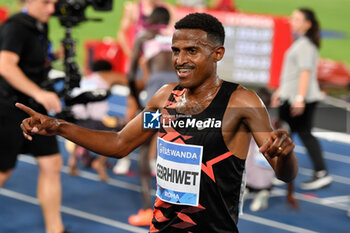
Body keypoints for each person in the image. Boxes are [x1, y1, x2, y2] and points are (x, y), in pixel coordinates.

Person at [16, 13, 298, 232]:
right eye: (176, 50)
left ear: (218, 54)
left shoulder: (242, 103)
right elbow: (119, 143)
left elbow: (284, 173)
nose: (180, 60)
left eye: (191, 51)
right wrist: (59, 126)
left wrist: (285, 155)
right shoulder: (166, 99)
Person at [0, 0, 69, 233]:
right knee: (3, 171)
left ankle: (55, 229)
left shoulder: (39, 24)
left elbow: (31, 60)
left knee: (52, 163)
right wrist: (39, 92)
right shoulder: (16, 25)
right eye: (46, 3)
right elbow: (5, 65)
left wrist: (58, 53)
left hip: (35, 109)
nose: (52, 9)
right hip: (10, 107)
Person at [126, 6, 178, 226]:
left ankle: (149, 209)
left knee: (145, 148)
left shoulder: (144, 36)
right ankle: (180, 209)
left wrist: (138, 101)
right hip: (180, 97)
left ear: (153, 19)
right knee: (181, 150)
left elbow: (130, 74)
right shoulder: (177, 37)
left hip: (156, 97)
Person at [271, 8, 332, 191]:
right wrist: (280, 91)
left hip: (297, 99)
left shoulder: (305, 45)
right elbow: (293, 74)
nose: (292, 21)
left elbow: (305, 73)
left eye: (296, 18)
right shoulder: (302, 43)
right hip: (292, 96)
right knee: (293, 134)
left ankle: (314, 173)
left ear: (307, 24)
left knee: (290, 135)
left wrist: (299, 99)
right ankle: (294, 172)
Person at [67, 60, 127, 181]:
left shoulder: (86, 79)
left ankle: (73, 160)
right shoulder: (107, 76)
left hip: (77, 119)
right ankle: (100, 162)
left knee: (78, 134)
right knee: (122, 128)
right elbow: (129, 81)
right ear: (108, 70)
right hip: (96, 120)